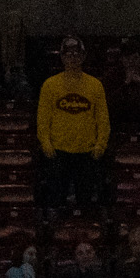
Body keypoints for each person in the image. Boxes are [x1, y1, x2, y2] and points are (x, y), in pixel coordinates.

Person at [36, 37, 110, 212]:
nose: (72, 58)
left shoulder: (95, 85)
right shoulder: (50, 85)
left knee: (85, 202)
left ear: (83, 56)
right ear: (62, 57)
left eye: (76, 54)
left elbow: (103, 119)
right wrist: (46, 144)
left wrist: (100, 146)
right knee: (56, 201)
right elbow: (43, 118)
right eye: (68, 54)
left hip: (87, 153)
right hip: (58, 152)